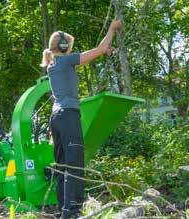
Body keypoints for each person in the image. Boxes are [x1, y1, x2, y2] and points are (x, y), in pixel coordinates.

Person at [40, 20, 122, 218]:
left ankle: (64, 210)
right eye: (69, 45)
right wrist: (111, 29)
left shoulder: (54, 64)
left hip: (56, 119)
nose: (71, 49)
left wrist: (103, 51)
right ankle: (72, 213)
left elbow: (95, 54)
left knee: (63, 167)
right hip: (68, 116)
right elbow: (100, 49)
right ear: (64, 46)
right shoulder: (65, 61)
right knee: (74, 165)